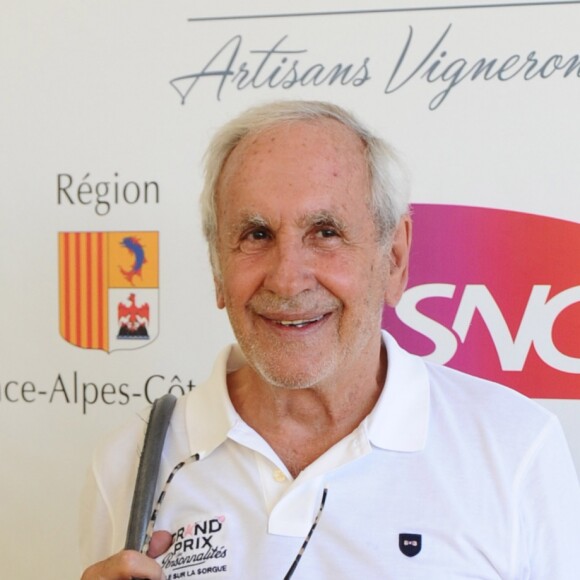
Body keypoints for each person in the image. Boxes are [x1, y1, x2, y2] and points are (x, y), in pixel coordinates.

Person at [80, 100, 580, 579]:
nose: (287, 279)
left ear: (395, 259)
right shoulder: (130, 462)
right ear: (217, 268)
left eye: (325, 232)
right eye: (256, 235)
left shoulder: (515, 451)